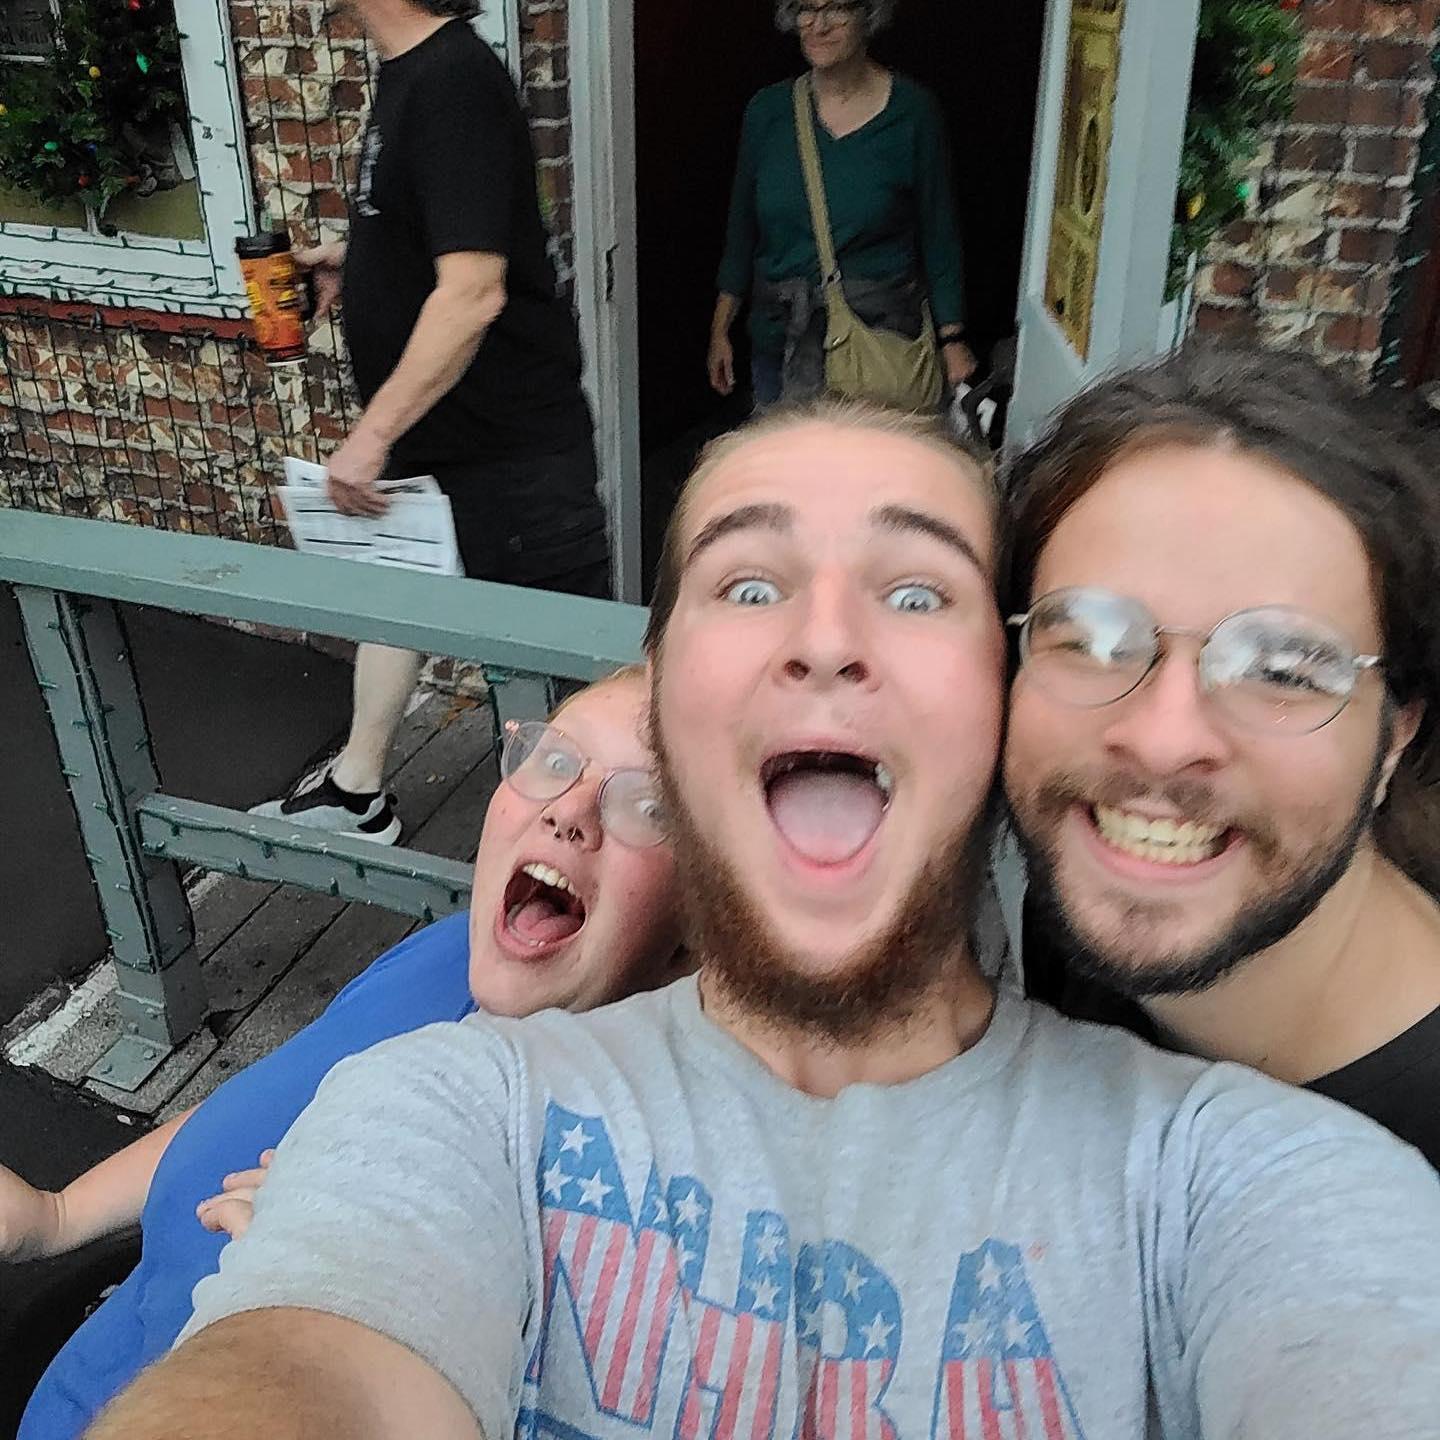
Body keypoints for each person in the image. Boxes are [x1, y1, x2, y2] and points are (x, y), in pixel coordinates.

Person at [88, 398, 1440, 1440]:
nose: (826, 637)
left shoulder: (1242, 1186)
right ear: (664, 695)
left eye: (917, 592)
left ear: (1006, 700)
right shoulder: (454, 1105)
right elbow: (306, 1369)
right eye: (747, 584)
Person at [7, 668, 681, 1440]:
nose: (569, 809)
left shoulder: (619, 1210)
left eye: (648, 806)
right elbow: (245, 1115)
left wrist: (325, 1290)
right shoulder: (444, 958)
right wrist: (54, 1217)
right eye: (557, 760)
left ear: (699, 930)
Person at [1004, 344, 1440, 1169]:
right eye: (1092, 641)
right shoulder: (1079, 893)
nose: (1162, 743)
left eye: (1282, 671)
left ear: (1396, 734)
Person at [250, 0, 610, 845]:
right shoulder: (411, 71)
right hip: (445, 446)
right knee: (400, 593)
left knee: (563, 701)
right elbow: (453, 230)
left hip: (507, 455)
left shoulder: (452, 80)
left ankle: (595, 880)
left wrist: (371, 436)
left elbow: (474, 292)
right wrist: (364, 262)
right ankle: (357, 792)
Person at [708, 0, 975, 409]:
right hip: (780, 346)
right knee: (784, 450)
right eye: (806, 9)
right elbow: (741, 231)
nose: (819, 25)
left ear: (869, 15)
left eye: (837, 9)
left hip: (876, 348)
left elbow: (939, 236)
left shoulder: (913, 114)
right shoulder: (767, 112)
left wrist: (952, 340)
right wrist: (720, 329)